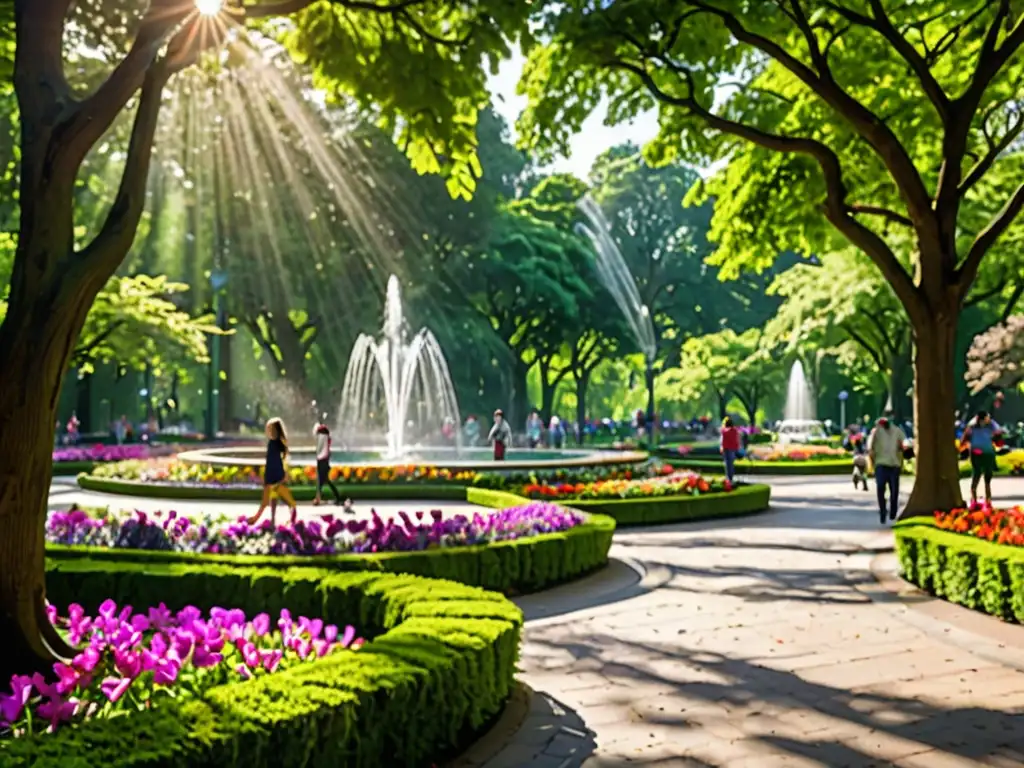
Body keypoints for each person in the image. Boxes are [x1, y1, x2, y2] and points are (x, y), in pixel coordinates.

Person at [248, 417, 298, 526]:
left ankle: (256, 520)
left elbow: (275, 461)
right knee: (272, 500)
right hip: (274, 475)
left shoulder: (275, 443)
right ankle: (270, 520)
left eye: (269, 428)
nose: (267, 430)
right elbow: (272, 460)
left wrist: (280, 475)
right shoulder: (275, 443)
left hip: (274, 476)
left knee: (272, 501)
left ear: (274, 430)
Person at [868, 416, 907, 524]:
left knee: (894, 490)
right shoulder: (875, 432)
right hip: (881, 464)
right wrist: (872, 462)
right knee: (881, 487)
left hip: (894, 464)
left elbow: (904, 444)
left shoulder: (897, 431)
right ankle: (883, 510)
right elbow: (870, 448)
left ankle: (893, 510)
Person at [962, 410, 1000, 507]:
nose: (988, 419)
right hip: (978, 453)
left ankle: (988, 501)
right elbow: (965, 437)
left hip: (987, 453)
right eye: (987, 417)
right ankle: (974, 501)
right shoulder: (972, 426)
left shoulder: (990, 425)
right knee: (977, 475)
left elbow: (998, 432)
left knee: (987, 478)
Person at [312, 420, 342, 506]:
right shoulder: (325, 441)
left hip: (323, 465)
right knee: (323, 481)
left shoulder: (325, 442)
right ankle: (320, 498)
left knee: (322, 482)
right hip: (323, 464)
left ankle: (318, 499)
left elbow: (322, 454)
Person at [719, 417, 741, 483]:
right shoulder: (735, 430)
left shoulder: (724, 431)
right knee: (731, 463)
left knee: (727, 464)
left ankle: (728, 478)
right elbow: (737, 440)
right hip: (733, 449)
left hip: (726, 449)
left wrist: (721, 448)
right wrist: (737, 447)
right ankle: (730, 477)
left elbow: (722, 441)